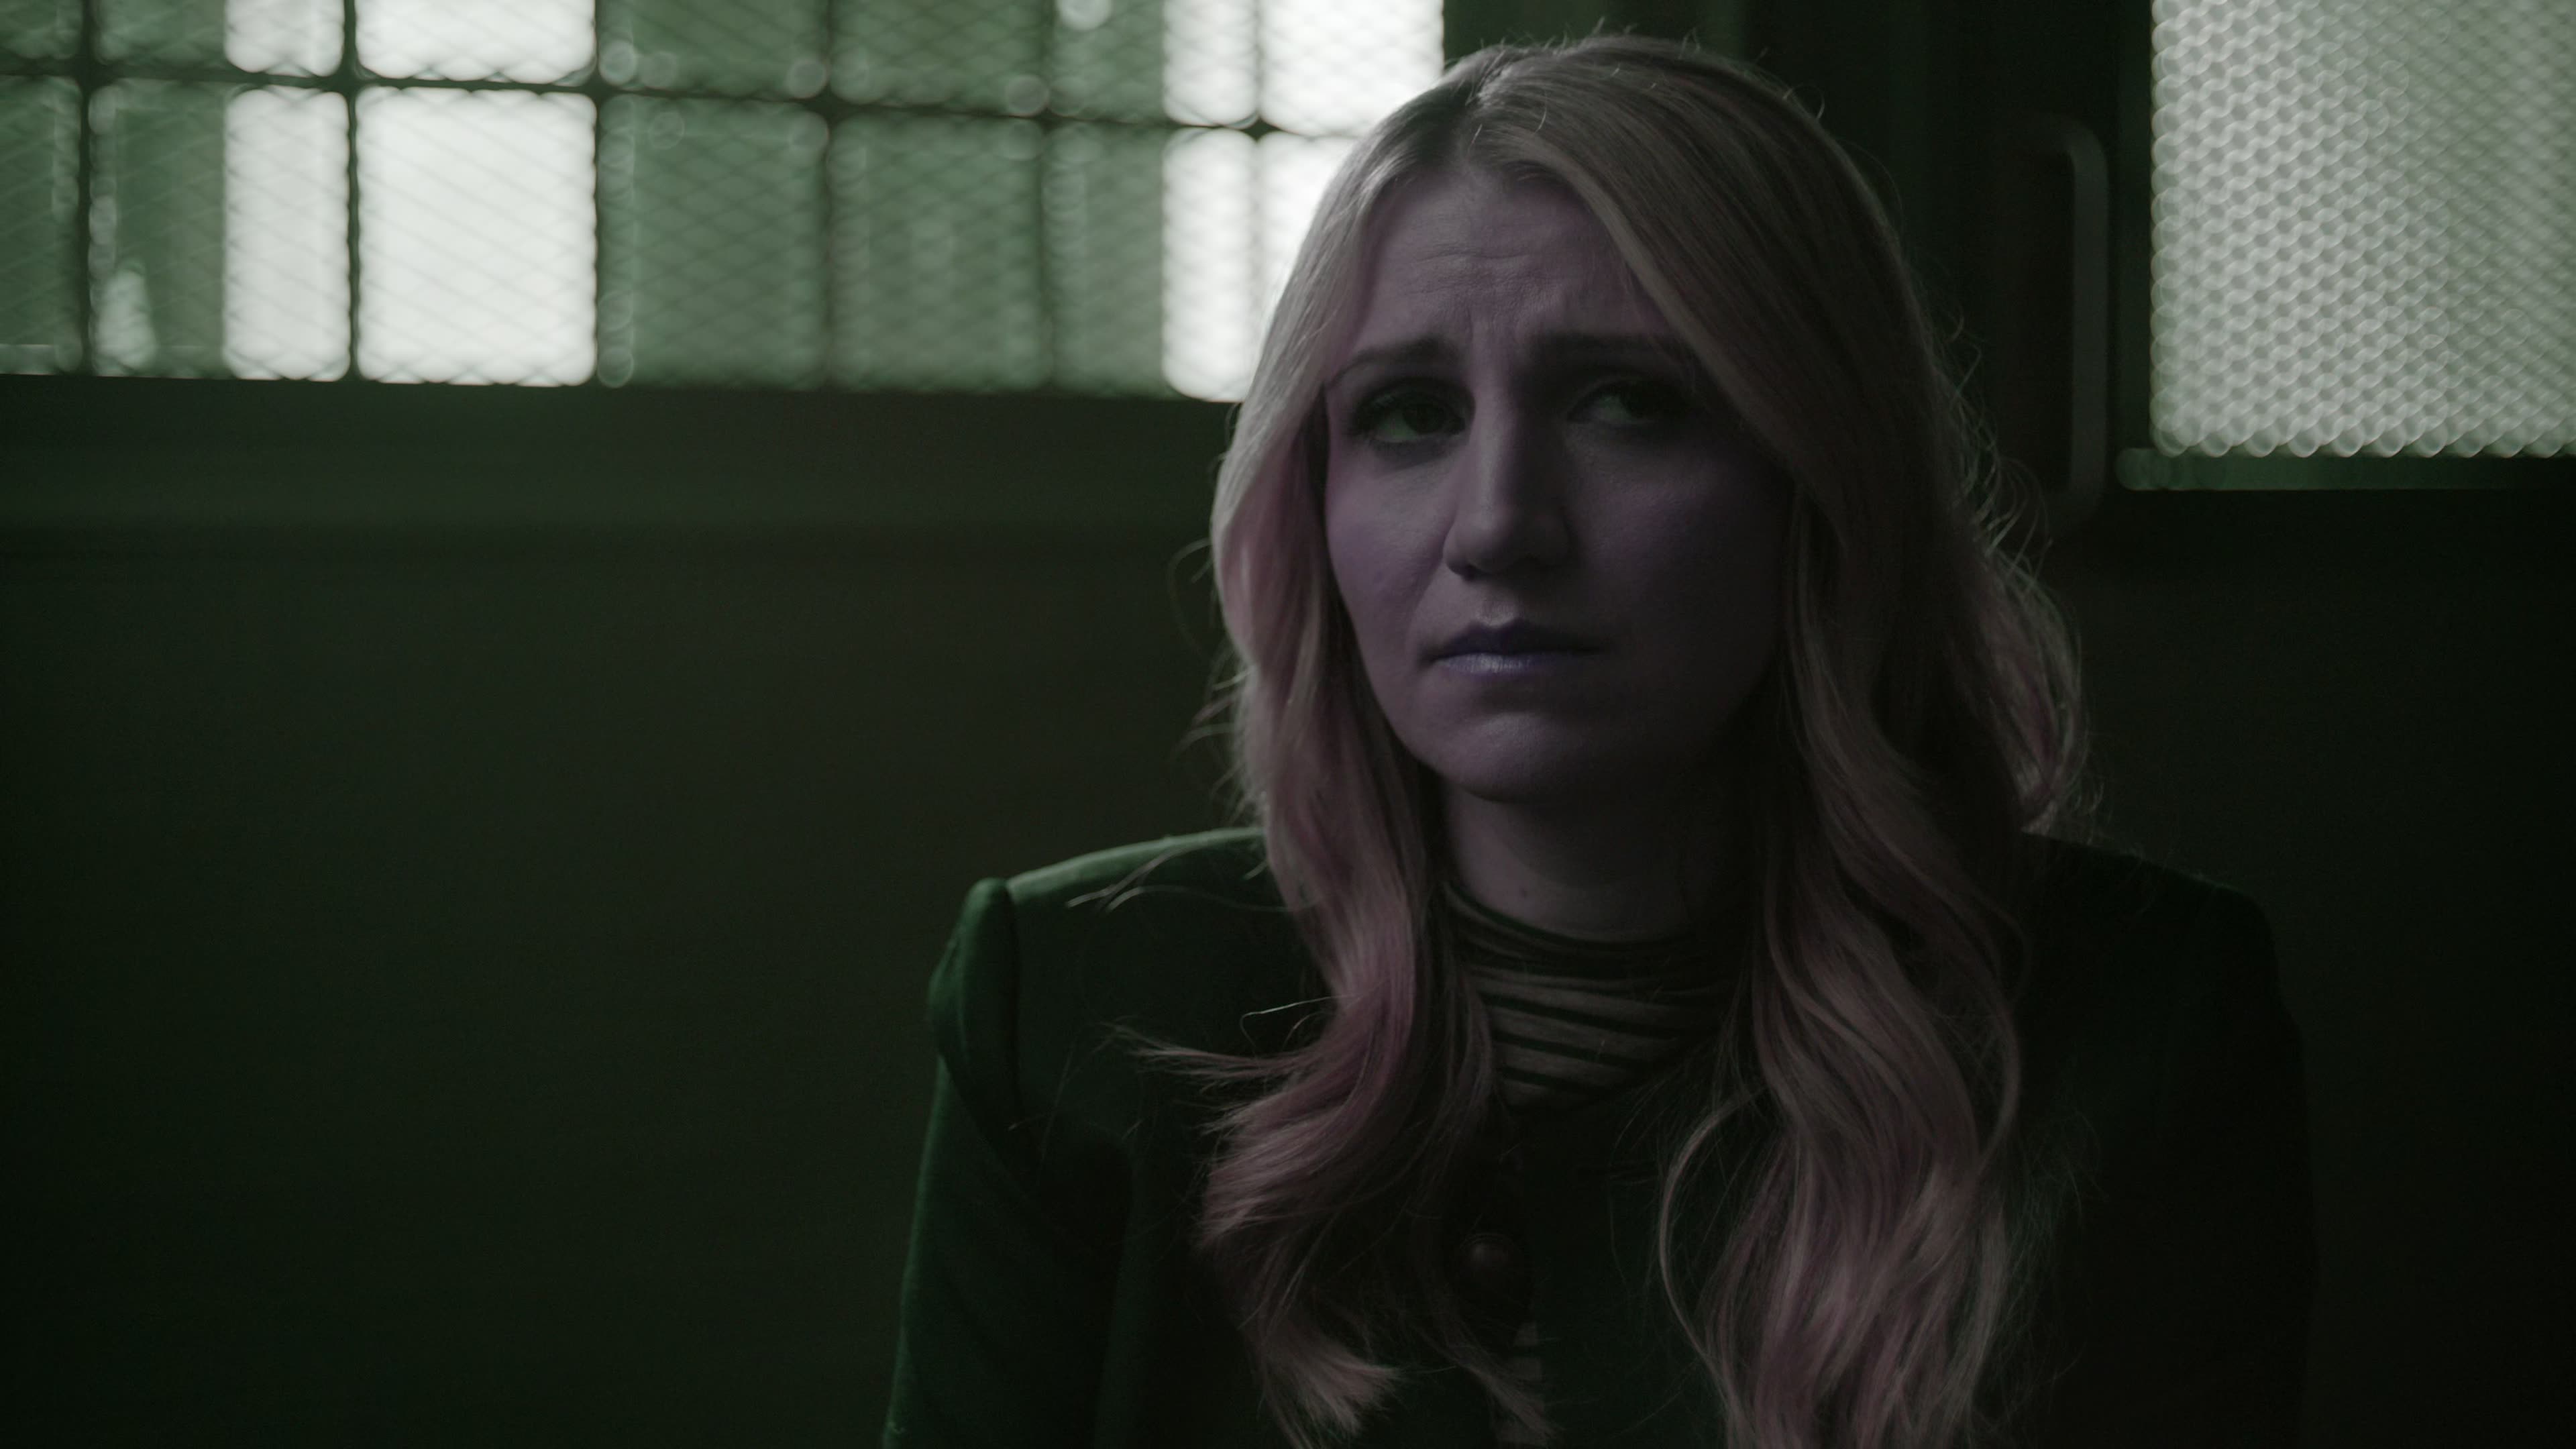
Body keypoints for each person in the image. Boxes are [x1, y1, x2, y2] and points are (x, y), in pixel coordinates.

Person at [882, 33, 2314, 1449]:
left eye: (1629, 402)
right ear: (1307, 503)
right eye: (1409, 414)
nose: (1501, 525)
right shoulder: (1067, 1005)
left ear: (1818, 475)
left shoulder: (2143, 1030)